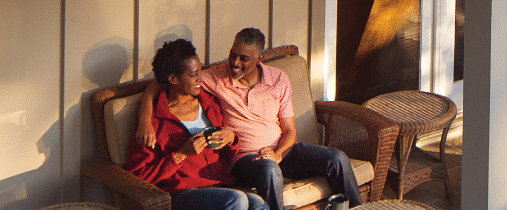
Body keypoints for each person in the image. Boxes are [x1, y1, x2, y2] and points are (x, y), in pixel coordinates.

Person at [137, 28, 364, 209]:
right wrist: (145, 119)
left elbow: (290, 131)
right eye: (232, 55)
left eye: (243, 58)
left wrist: (277, 154)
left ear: (260, 58)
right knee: (268, 170)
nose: (235, 63)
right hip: (247, 159)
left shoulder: (279, 79)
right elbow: (161, 82)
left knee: (336, 157)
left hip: (282, 151)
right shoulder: (214, 78)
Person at [126, 38, 268, 210]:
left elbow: (226, 155)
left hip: (219, 185)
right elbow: (138, 178)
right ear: (173, 79)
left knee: (258, 203)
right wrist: (180, 154)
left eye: (200, 72)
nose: (200, 79)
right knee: (236, 200)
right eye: (193, 75)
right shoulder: (153, 123)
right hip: (181, 194)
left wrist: (231, 138)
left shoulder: (209, 102)